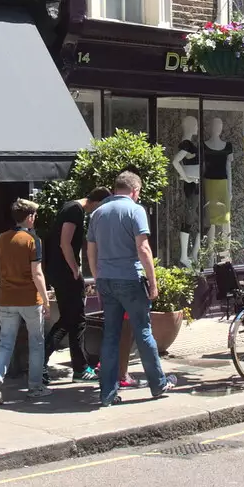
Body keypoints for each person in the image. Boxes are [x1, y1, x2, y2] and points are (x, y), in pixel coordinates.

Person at [86, 172, 170, 408]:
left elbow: (91, 250)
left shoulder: (98, 213)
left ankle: (107, 394)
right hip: (131, 279)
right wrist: (153, 282)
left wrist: (97, 277)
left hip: (106, 279)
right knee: (143, 331)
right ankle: (158, 383)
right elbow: (143, 248)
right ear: (135, 191)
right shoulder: (135, 210)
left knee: (110, 335)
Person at [0, 198, 50, 404]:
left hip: (6, 298)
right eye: (35, 215)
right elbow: (37, 273)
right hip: (30, 299)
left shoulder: (1, 238)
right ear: (29, 217)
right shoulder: (33, 240)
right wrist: (47, 300)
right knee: (36, 343)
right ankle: (35, 387)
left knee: (6, 343)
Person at [45, 187, 110, 382]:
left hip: (59, 271)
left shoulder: (71, 208)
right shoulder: (75, 211)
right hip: (65, 272)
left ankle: (77, 368)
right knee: (75, 319)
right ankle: (77, 369)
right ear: (97, 202)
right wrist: (75, 269)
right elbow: (65, 243)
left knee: (71, 320)